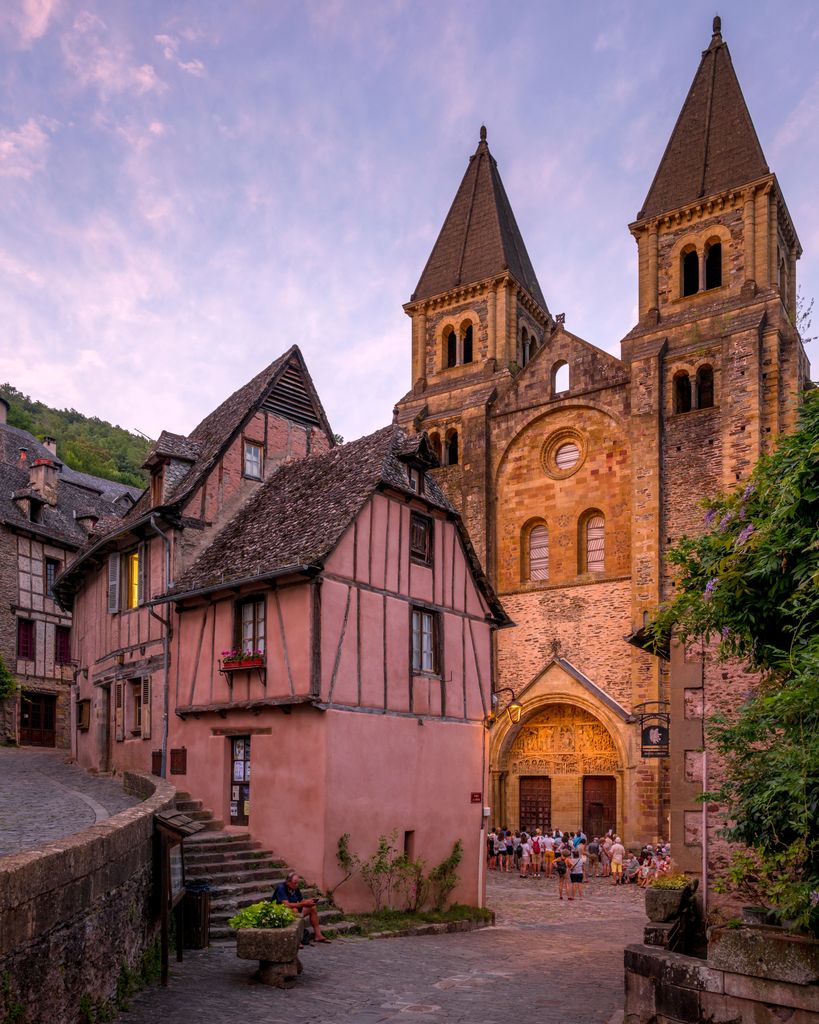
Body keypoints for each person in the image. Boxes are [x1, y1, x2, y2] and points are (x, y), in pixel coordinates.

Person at [274, 870, 330, 943]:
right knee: (295, 910)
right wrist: (303, 904)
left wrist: (308, 902)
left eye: (298, 883)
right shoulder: (281, 888)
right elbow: (287, 905)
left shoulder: (295, 888)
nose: (297, 885)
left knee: (312, 908)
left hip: (294, 910)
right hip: (282, 914)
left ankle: (318, 935)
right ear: (288, 882)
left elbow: (301, 900)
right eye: (295, 883)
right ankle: (297, 940)